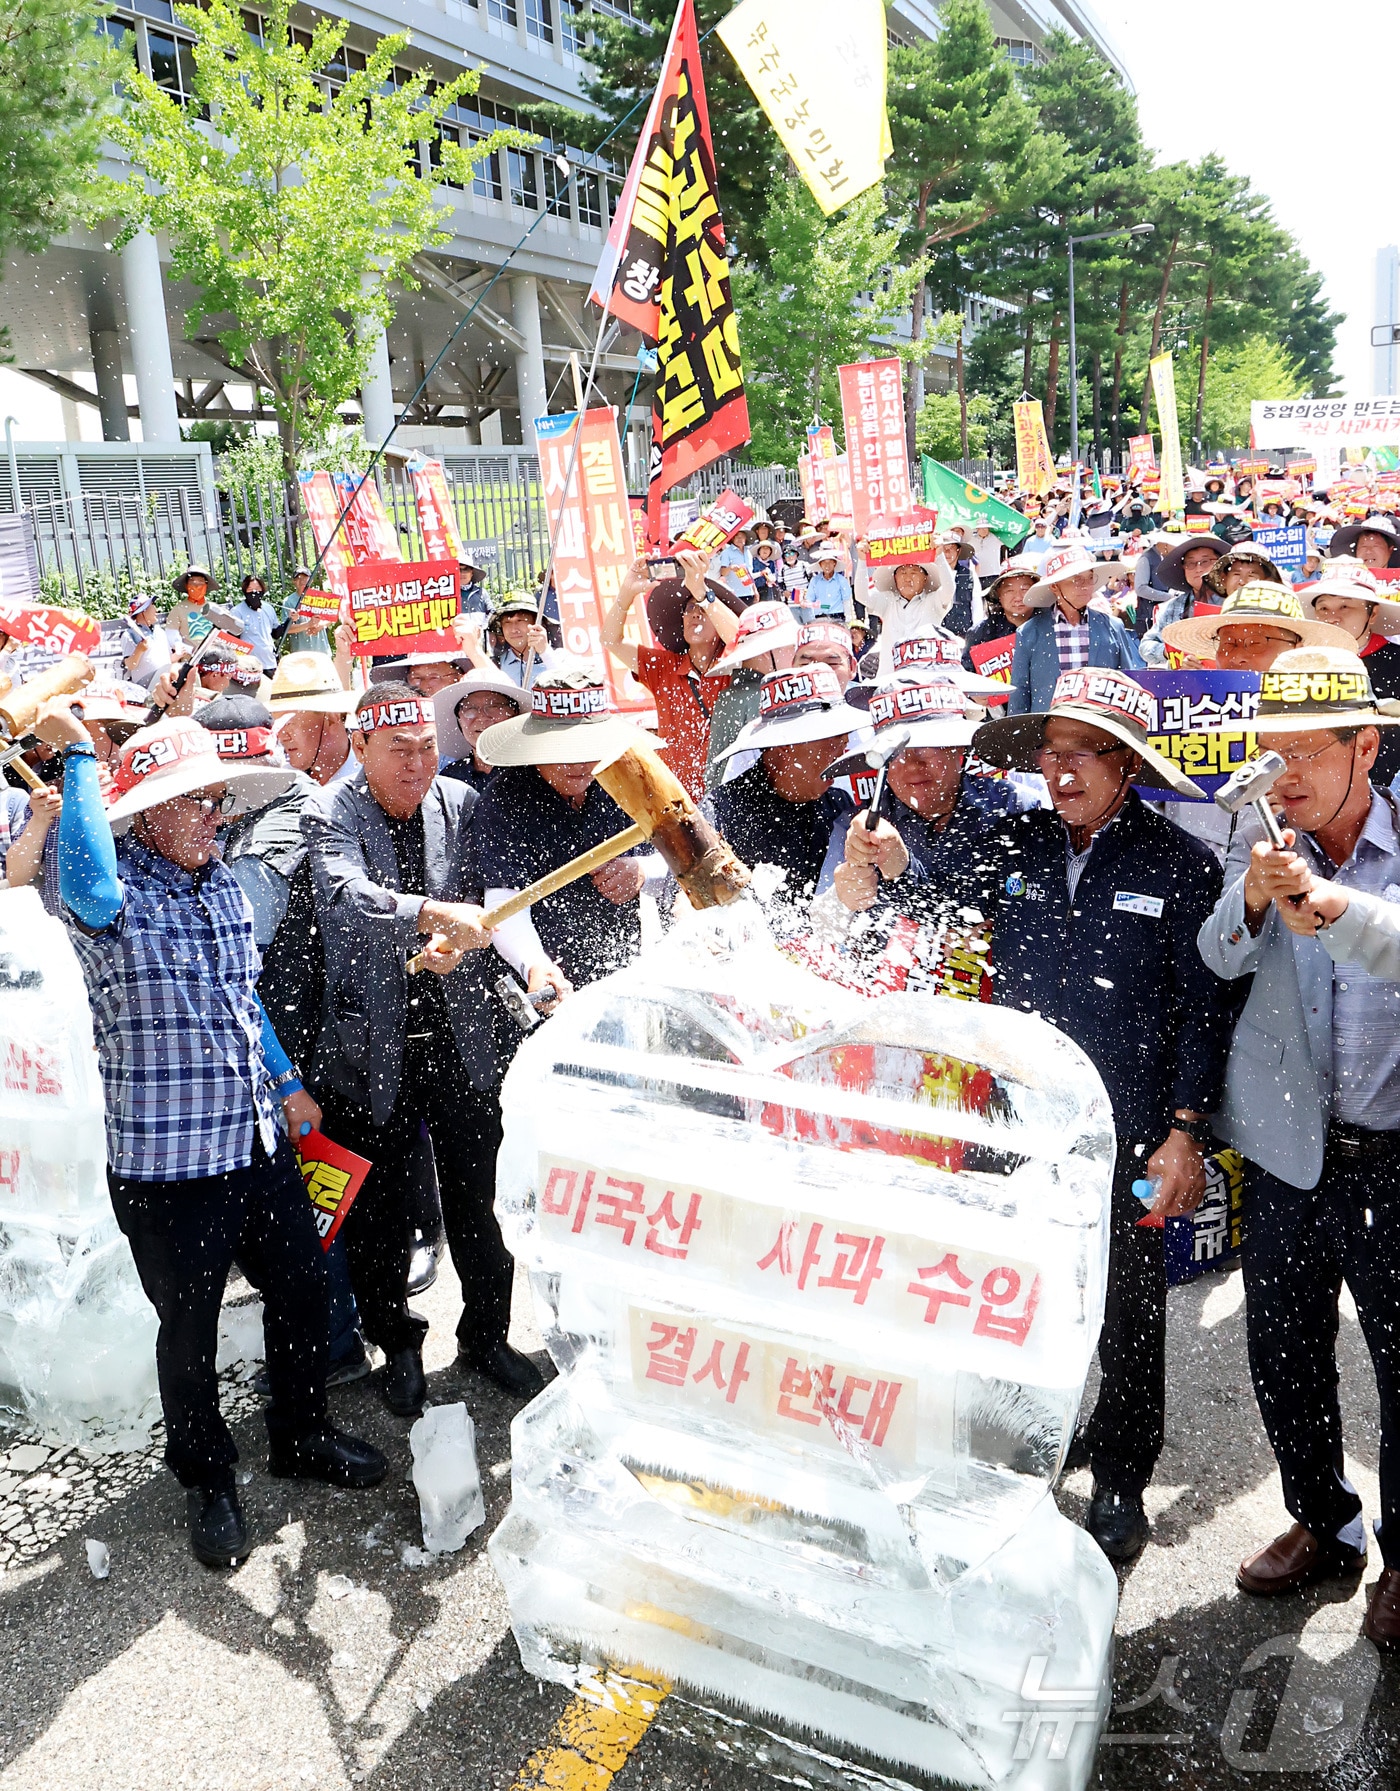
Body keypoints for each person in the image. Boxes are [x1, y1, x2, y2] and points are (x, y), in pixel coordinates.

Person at [35, 707, 386, 1567]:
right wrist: (81, 753)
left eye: (217, 799)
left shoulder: (222, 883)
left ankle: (300, 1433)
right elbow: (84, 882)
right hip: (166, 1169)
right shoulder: (111, 903)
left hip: (254, 1143)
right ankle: (208, 1477)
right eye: (192, 803)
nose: (213, 816)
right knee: (187, 1331)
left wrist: (288, 1080)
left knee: (302, 1293)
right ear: (148, 814)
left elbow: (241, 995)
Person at [963, 669, 1228, 1561]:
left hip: (1133, 1135)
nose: (1062, 771)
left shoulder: (1182, 864)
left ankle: (1121, 1473)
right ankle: (1027, 1450)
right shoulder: (1014, 843)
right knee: (1017, 1302)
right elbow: (933, 906)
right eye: (1052, 751)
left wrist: (1187, 1130)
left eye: (1086, 754)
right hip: (1017, 1130)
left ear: (1128, 764)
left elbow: (1204, 1010)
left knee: (1127, 1313)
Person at [1194, 648, 1400, 1645]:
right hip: (1283, 1154)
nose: (1282, 776)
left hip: (1391, 1155)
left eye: (1305, 753)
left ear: (1366, 744)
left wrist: (1333, 907)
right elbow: (1210, 959)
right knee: (1280, 1352)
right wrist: (1245, 902)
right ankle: (1319, 1520)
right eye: (1267, 752)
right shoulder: (1261, 838)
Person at [303, 682, 553, 1415]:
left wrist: (481, 943)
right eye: (398, 750)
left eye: (425, 747)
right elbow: (342, 899)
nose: (417, 765)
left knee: (482, 1198)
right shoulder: (329, 813)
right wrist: (428, 915)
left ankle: (486, 1334)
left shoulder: (463, 804)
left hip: (463, 1037)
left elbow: (494, 906)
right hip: (369, 1048)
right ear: (360, 748)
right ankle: (400, 1344)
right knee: (378, 1211)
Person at [471, 667, 661, 989]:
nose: (578, 763)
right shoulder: (503, 799)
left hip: (630, 970)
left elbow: (686, 854)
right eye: (563, 748)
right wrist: (533, 962)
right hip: (546, 979)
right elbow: (503, 901)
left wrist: (642, 871)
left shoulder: (632, 776)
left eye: (588, 745)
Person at [825, 669, 1035, 920]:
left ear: (958, 746)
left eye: (927, 747)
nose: (913, 764)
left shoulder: (1016, 808)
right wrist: (841, 899)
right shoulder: (855, 828)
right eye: (897, 752)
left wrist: (1000, 927)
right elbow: (815, 933)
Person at [709, 664, 865, 904]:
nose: (844, 744)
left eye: (844, 733)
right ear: (784, 743)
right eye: (832, 734)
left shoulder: (839, 807)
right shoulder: (720, 813)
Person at [602, 550, 743, 801]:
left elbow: (739, 639)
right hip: (675, 799)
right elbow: (610, 640)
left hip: (728, 798)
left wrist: (700, 590)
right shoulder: (664, 667)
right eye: (690, 608)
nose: (696, 613)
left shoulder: (737, 667)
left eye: (705, 607)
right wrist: (626, 593)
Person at [1007, 544, 1143, 715]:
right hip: (1050, 730)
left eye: (1089, 578)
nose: (1086, 586)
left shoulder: (1112, 627)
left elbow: (1128, 683)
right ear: (1055, 587)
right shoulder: (1030, 633)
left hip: (1101, 728)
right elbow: (1020, 692)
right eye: (1077, 580)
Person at [704, 600, 800, 787]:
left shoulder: (733, 695)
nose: (796, 653)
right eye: (790, 647)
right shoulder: (765, 698)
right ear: (766, 652)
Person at [266, 651, 359, 788]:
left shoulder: (374, 779)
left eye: (289, 723)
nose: (282, 736)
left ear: (332, 719)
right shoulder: (280, 786)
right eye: (278, 724)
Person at [857, 553, 956, 680]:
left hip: (925, 679)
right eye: (903, 573)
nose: (908, 578)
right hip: (889, 678)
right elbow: (861, 596)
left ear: (925, 578)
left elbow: (949, 589)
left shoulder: (934, 601)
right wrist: (862, 560)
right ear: (895, 578)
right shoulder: (888, 600)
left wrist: (940, 555)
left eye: (914, 572)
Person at [433, 668, 528, 791]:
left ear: (515, 713)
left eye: (494, 706)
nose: (482, 717)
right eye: (470, 709)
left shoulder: (534, 773)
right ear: (459, 719)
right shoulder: (451, 778)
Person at [1140, 535, 1228, 666]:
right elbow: (1145, 646)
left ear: (1219, 565)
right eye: (1191, 563)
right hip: (1183, 679)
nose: (1198, 569)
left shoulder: (1234, 603)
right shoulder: (1173, 607)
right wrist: (1172, 652)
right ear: (1184, 568)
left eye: (1205, 561)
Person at [961, 556, 1038, 676]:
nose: (1018, 597)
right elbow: (967, 676)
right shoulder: (981, 634)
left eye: (1025, 589)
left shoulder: (1051, 626)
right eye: (1009, 591)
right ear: (999, 596)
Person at [489, 594, 557, 688]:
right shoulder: (496, 665)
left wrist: (545, 652)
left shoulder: (559, 657)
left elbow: (568, 690)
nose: (513, 630)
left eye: (520, 621)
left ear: (536, 623)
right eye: (507, 622)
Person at [231, 573, 281, 674]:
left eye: (258, 588)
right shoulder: (237, 611)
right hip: (248, 666)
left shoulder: (268, 609)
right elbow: (233, 639)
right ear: (245, 591)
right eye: (250, 589)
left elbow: (275, 633)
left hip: (270, 663)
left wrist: (290, 620)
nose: (254, 592)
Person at [792, 619, 858, 692]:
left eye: (831, 664)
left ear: (852, 668)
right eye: (806, 664)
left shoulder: (866, 699)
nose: (819, 674)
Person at [1328, 513, 1400, 572]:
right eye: (1363, 546)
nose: (1368, 551)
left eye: (1375, 546)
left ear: (1390, 550)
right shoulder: (1344, 582)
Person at [805, 543, 853, 619]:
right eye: (824, 563)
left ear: (834, 563)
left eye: (830, 562)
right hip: (819, 616)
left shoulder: (841, 580)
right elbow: (810, 600)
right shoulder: (814, 581)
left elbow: (846, 600)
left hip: (837, 615)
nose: (827, 566)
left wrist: (849, 618)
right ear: (820, 564)